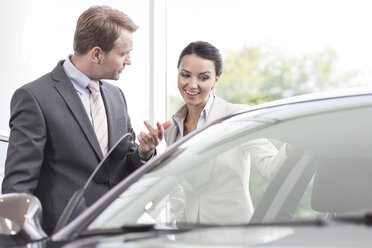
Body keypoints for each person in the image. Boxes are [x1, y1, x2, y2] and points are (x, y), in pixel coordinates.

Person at [2, 5, 169, 234]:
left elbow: (119, 166)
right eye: (123, 53)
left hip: (114, 232)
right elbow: (17, 189)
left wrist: (143, 152)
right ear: (97, 54)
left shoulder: (116, 96)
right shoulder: (34, 98)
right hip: (62, 236)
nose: (129, 61)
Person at [164, 41, 287, 225]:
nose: (192, 84)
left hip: (234, 237)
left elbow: (271, 167)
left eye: (203, 77)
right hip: (190, 239)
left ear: (216, 80)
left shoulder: (236, 116)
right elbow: (175, 185)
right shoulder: (172, 130)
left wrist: (298, 137)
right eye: (186, 75)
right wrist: (182, 217)